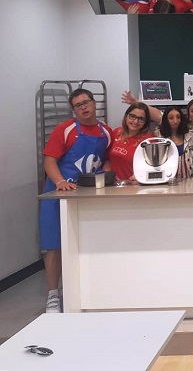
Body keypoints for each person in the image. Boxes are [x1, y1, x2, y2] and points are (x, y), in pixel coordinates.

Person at [41, 88, 113, 313]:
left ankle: (85, 291)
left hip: (88, 196)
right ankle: (53, 295)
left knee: (88, 243)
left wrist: (107, 176)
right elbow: (49, 161)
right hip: (60, 195)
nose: (84, 108)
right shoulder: (65, 130)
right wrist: (60, 182)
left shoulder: (106, 132)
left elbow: (106, 160)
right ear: (74, 110)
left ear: (94, 103)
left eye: (86, 102)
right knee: (54, 245)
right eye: (78, 105)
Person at [106, 102, 153, 181]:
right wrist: (108, 175)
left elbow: (152, 166)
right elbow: (107, 159)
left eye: (141, 119)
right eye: (132, 116)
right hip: (113, 184)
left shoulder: (148, 140)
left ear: (145, 122)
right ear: (126, 117)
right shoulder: (116, 132)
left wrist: (140, 175)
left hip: (133, 184)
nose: (136, 122)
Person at [158, 107, 193, 179]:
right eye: (171, 118)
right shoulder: (160, 138)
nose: (175, 121)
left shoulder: (190, 135)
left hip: (188, 179)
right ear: (166, 120)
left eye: (178, 117)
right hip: (168, 180)